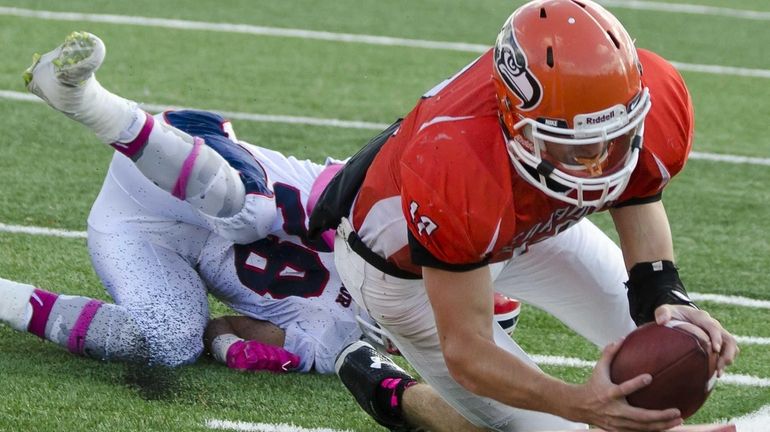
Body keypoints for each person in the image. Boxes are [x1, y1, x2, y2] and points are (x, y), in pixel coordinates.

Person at [1, 30, 515, 431]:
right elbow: (337, 193)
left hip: (139, 229)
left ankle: (6, 299)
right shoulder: (387, 223)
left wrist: (244, 347)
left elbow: (222, 332)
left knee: (168, 340)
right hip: (186, 156)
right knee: (255, 216)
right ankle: (88, 101)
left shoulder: (340, 341)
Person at [310, 1, 740, 431]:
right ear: (514, 121)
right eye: (573, 145)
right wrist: (577, 405)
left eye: (614, 137)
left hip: (519, 224)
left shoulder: (649, 91)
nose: (597, 162)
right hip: (409, 272)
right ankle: (395, 393)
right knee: (554, 428)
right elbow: (468, 351)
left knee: (676, 344)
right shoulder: (456, 160)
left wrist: (666, 295)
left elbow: (637, 194)